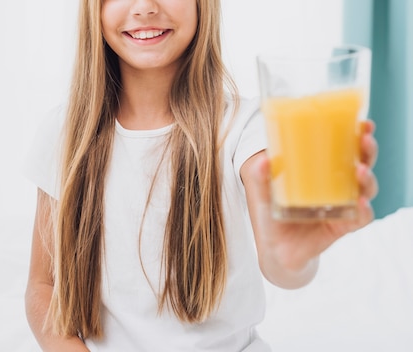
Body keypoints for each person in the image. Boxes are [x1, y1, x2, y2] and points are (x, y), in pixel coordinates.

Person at [23, 0, 379, 351]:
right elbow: (44, 286)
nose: (145, 7)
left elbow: (282, 261)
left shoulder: (244, 127)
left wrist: (292, 258)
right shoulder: (64, 133)